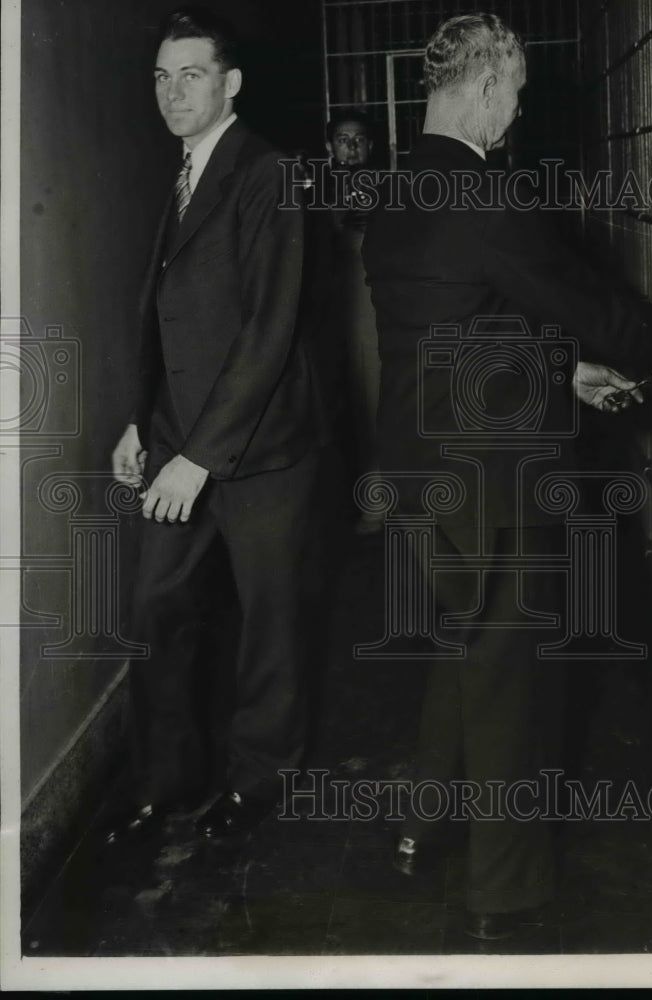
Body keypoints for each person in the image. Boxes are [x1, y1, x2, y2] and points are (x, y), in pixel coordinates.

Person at [362, 12, 652, 940]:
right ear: (482, 87)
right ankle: (505, 898)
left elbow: (459, 333)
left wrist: (561, 372)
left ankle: (417, 827)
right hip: (493, 489)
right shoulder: (485, 194)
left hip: (418, 480)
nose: (515, 115)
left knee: (463, 650)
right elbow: (592, 305)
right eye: (513, 95)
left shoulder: (398, 194)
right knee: (513, 687)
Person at [109, 6, 321, 842]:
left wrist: (195, 456)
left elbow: (267, 332)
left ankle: (259, 789)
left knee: (270, 630)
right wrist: (141, 423)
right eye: (162, 76)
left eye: (190, 74)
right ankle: (166, 783)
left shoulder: (266, 172)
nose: (172, 91)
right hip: (177, 441)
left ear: (230, 83)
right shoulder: (185, 171)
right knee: (158, 611)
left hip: (262, 452)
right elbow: (171, 319)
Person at [323, 110, 384, 534]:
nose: (352, 146)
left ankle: (377, 499)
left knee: (374, 400)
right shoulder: (310, 191)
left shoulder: (388, 189)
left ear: (372, 147)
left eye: (359, 139)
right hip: (327, 314)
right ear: (329, 147)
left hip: (370, 312)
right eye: (343, 140)